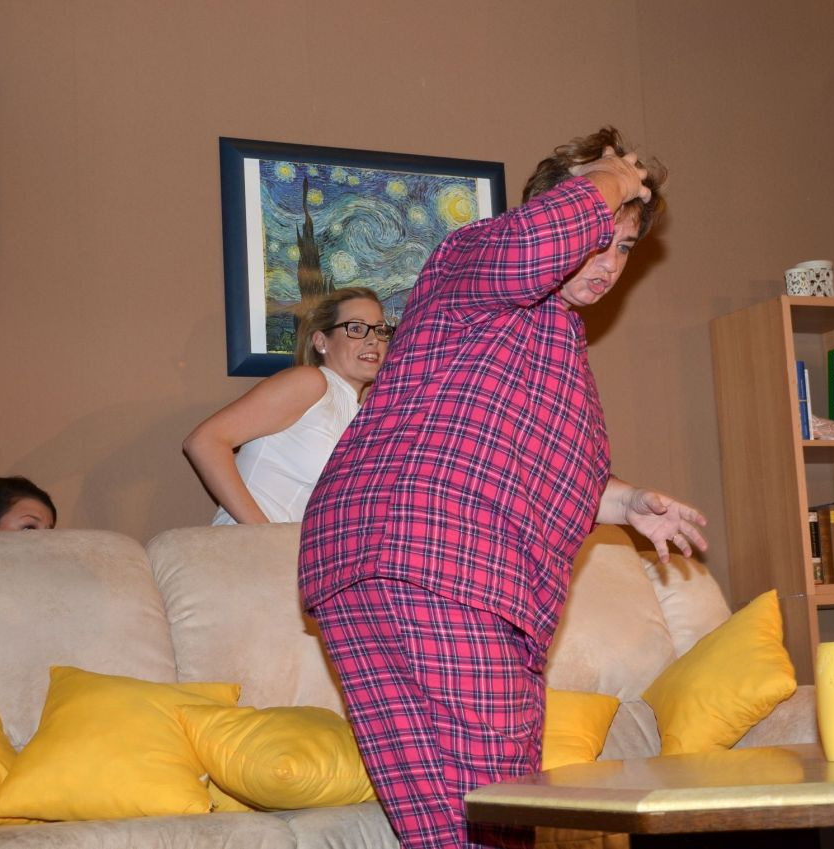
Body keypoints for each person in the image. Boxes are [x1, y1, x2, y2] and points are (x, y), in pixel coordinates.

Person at [298, 127, 708, 849]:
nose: (608, 262)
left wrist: (627, 502)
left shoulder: (552, 349)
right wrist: (617, 176)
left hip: (370, 564)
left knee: (446, 821)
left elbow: (552, 475)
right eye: (597, 234)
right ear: (554, 212)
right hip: (437, 556)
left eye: (622, 247)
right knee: (501, 807)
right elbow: (532, 246)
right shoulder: (477, 263)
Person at [184, 286, 391, 524]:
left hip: (295, 547)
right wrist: (263, 533)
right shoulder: (310, 382)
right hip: (247, 544)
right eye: (356, 328)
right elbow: (205, 441)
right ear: (321, 341)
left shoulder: (363, 417)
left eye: (380, 330)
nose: (373, 340)